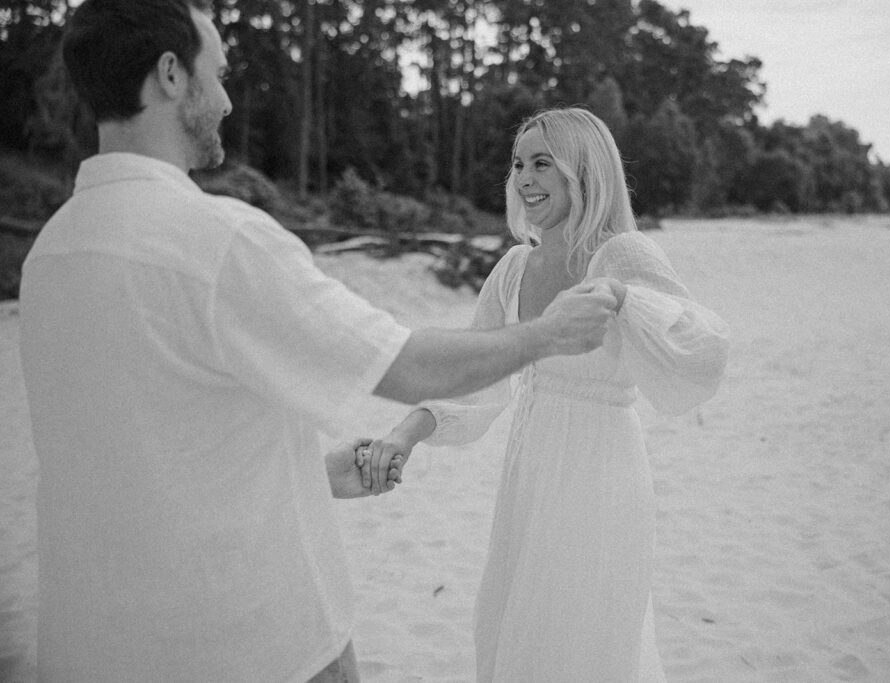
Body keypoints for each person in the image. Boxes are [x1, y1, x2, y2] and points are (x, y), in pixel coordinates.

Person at [17, 2, 619, 681]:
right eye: (216, 74)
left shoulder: (51, 255)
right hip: (251, 646)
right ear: (169, 76)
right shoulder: (219, 240)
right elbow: (409, 366)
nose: (227, 99)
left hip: (89, 648)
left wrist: (312, 474)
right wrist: (546, 332)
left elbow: (138, 452)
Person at [360, 107, 729, 681]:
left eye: (542, 164)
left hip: (600, 475)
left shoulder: (623, 254)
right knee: (515, 627)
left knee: (585, 635)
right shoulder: (512, 268)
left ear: (584, 172)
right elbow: (475, 376)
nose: (524, 179)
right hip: (529, 473)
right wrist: (406, 434)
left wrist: (627, 299)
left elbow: (702, 347)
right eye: (517, 165)